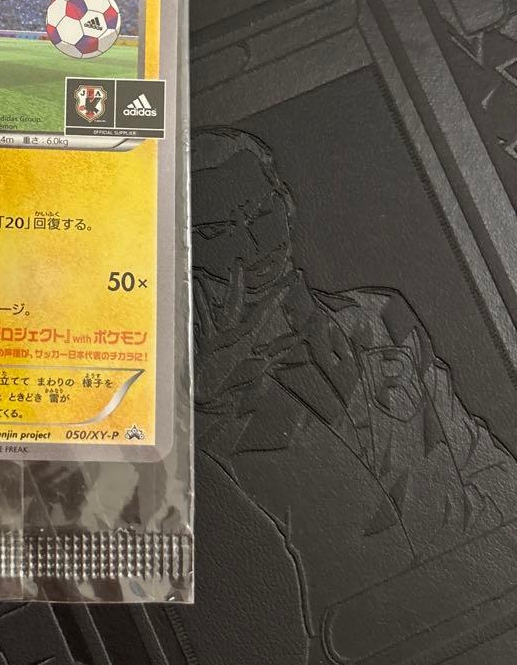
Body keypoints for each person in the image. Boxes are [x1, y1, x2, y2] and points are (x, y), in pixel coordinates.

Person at [188, 128, 517, 646]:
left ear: (286, 202)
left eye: (261, 214)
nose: (252, 246)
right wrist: (209, 409)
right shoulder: (194, 406)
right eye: (216, 233)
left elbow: (493, 473)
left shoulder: (382, 317)